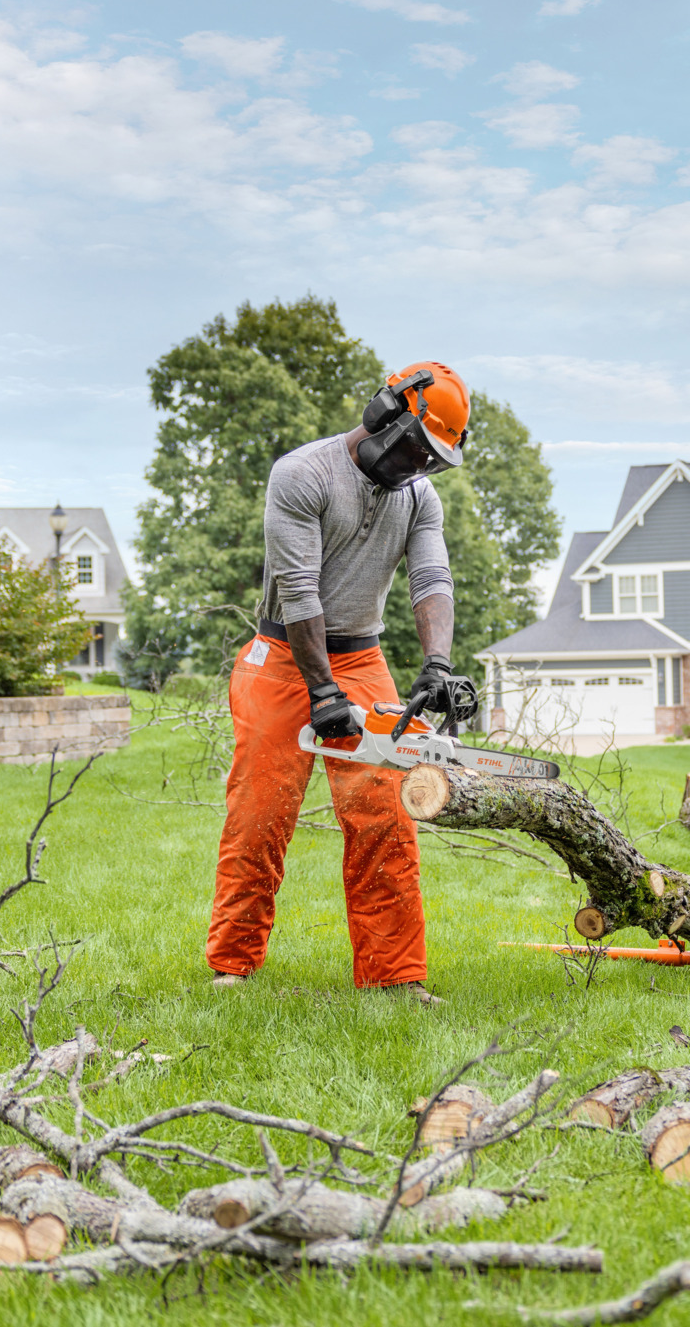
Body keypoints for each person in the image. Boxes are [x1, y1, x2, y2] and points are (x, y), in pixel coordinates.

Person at [205, 362, 477, 1005]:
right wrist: (322, 693)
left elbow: (431, 580)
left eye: (430, 458)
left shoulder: (418, 498)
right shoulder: (303, 474)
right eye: (414, 447)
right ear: (385, 413)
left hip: (362, 657)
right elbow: (298, 591)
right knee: (261, 813)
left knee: (384, 814)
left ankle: (394, 977)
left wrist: (436, 662)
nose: (417, 465)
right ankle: (232, 967)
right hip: (280, 656)